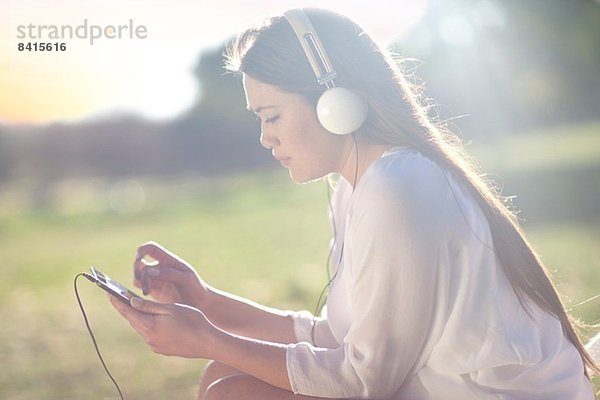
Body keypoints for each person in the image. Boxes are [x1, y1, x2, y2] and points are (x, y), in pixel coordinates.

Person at [109, 7, 597, 400]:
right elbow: (339, 338)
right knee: (226, 376)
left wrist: (209, 337)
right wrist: (208, 304)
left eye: (272, 115)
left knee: (232, 389)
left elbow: (364, 380)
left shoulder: (399, 186)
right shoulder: (358, 186)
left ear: (333, 100)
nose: (265, 137)